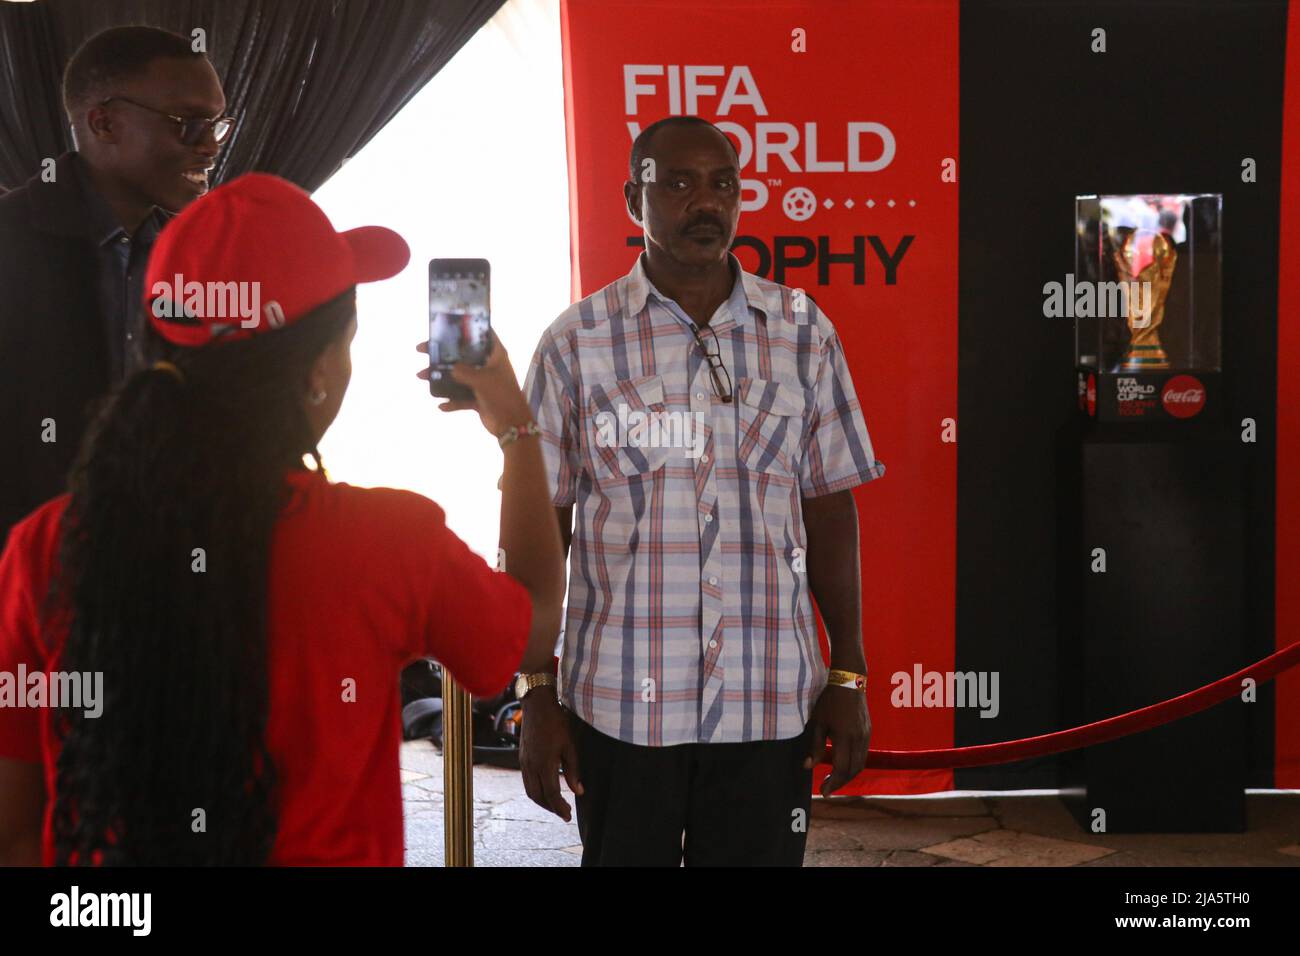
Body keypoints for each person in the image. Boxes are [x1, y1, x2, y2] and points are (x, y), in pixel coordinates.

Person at [0, 173, 565, 865]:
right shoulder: (385, 542)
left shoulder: (44, 547)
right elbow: (534, 630)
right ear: (316, 371)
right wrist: (516, 426)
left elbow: (17, 829)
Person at [516, 116, 887, 866]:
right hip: (620, 707)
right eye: (677, 183)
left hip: (767, 700)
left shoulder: (801, 332)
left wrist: (847, 670)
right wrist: (535, 690)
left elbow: (829, 508)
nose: (704, 202)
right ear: (633, 199)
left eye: (722, 184)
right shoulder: (573, 344)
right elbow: (541, 531)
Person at [0, 26, 228, 549]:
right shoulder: (9, 243)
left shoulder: (203, 259)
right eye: (189, 125)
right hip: (24, 592)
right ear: (104, 123)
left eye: (216, 124)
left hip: (161, 589)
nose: (211, 147)